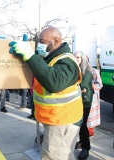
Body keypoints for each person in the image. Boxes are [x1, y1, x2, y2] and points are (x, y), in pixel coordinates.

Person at [9, 27, 83, 160]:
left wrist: (30, 56)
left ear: (55, 41)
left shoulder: (67, 61)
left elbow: (55, 82)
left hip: (62, 122)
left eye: (42, 41)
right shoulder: (50, 58)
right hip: (57, 119)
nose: (40, 45)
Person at [74, 51, 94, 160]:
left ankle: (86, 147)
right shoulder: (75, 69)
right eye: (75, 57)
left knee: (82, 124)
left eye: (78, 57)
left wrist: (79, 86)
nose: (76, 59)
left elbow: (82, 84)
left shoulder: (87, 70)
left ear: (83, 59)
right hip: (76, 100)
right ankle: (82, 141)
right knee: (77, 123)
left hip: (85, 102)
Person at [87, 68, 103, 137]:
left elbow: (99, 85)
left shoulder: (94, 71)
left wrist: (92, 86)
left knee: (90, 115)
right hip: (80, 97)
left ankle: (89, 133)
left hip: (91, 97)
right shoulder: (77, 69)